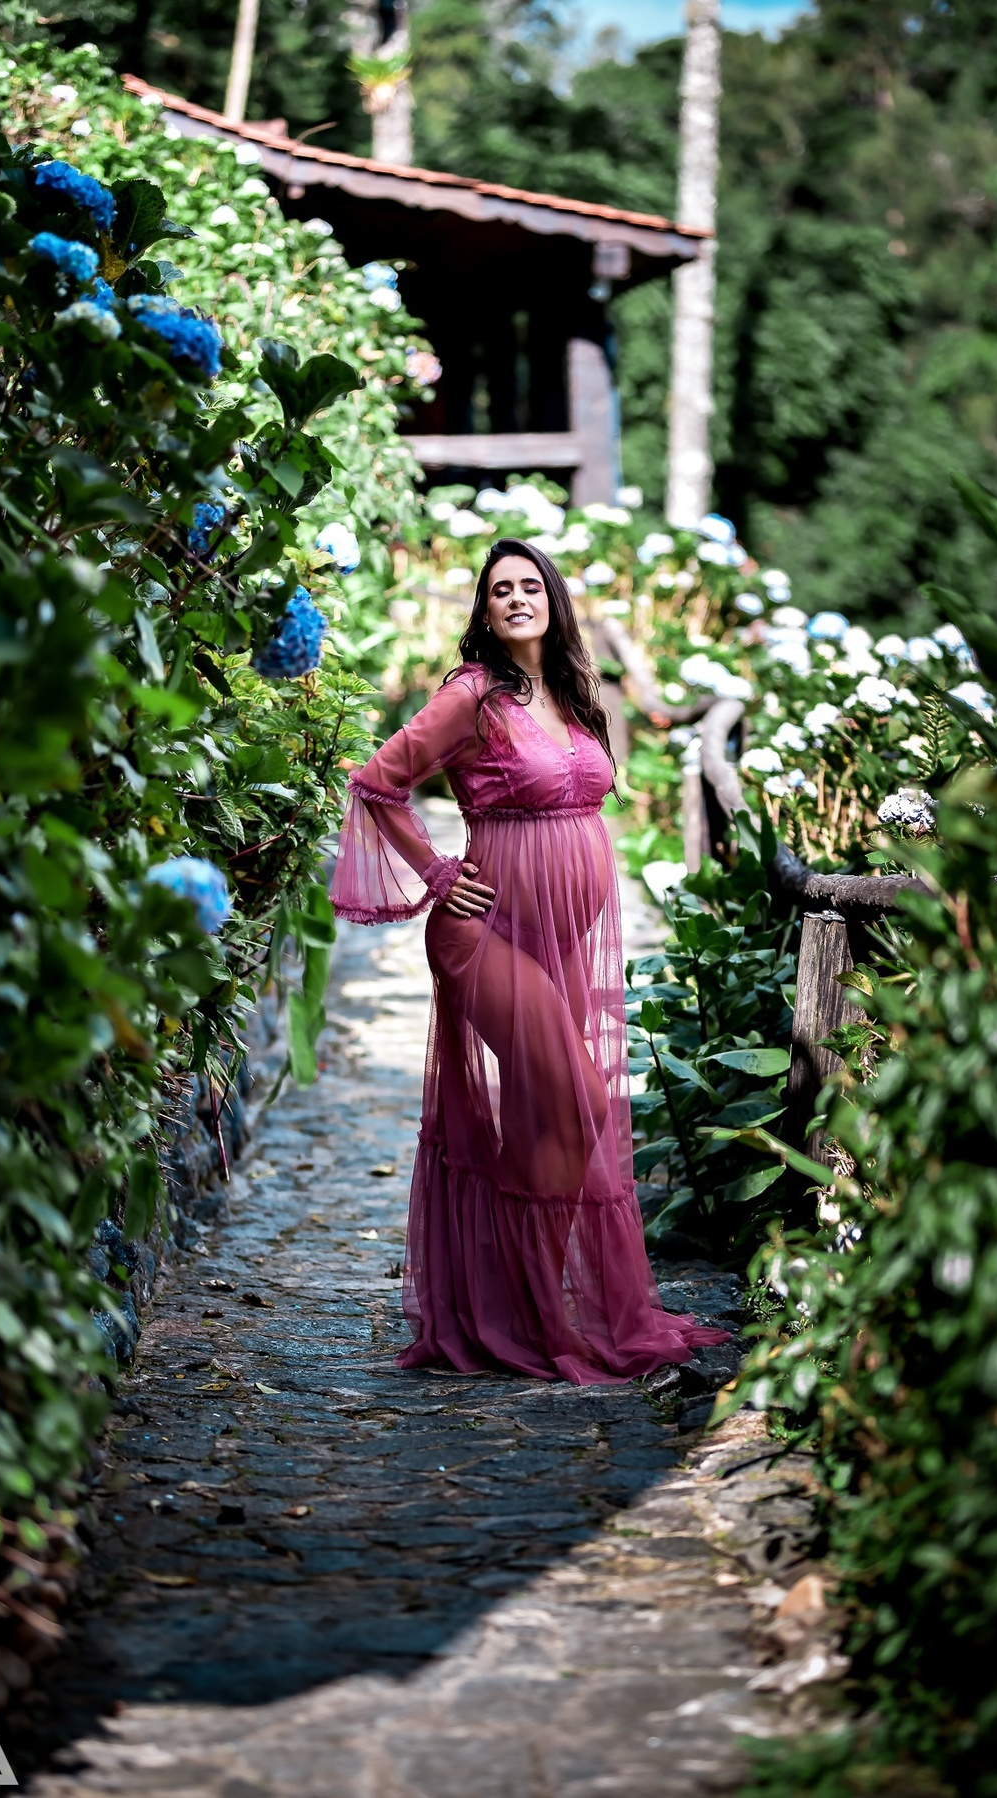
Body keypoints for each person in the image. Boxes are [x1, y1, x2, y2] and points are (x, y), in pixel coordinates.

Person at [331, 538, 728, 1383]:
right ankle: (526, 1312)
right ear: (484, 612)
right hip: (486, 937)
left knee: (557, 1119)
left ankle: (512, 1298)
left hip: (557, 942)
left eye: (529, 585)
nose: (516, 598)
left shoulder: (571, 694)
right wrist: (438, 871)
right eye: (499, 590)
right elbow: (377, 781)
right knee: (580, 1103)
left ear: (552, 598)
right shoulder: (473, 696)